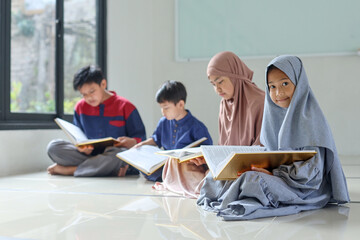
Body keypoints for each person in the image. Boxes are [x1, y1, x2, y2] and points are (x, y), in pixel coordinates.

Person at [197, 55, 350, 220]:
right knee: (216, 176)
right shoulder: (273, 116)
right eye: (272, 86)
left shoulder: (311, 119)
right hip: (273, 175)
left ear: (299, 83)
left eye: (285, 84)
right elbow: (268, 151)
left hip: (300, 186)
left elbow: (313, 173)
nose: (278, 93)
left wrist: (274, 173)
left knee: (253, 180)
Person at [47, 65, 146, 177]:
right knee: (54, 147)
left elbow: (142, 140)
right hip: (88, 155)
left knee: (120, 155)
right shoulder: (80, 107)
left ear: (103, 84)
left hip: (114, 155)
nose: (89, 98)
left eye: (92, 91)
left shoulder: (126, 106)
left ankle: (71, 170)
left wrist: (133, 142)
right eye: (84, 94)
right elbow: (78, 138)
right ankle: (103, 169)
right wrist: (81, 147)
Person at [134, 80, 213, 186]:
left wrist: (200, 160)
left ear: (180, 104)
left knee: (188, 171)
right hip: (167, 165)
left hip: (185, 167)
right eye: (161, 108)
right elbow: (155, 139)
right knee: (148, 168)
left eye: (166, 108)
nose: (163, 112)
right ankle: (170, 178)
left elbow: (208, 152)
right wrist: (141, 145)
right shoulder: (163, 122)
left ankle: (172, 178)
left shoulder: (197, 126)